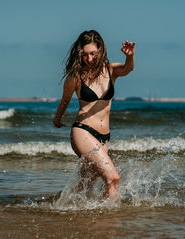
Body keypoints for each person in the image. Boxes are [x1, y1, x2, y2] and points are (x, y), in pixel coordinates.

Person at [53, 30, 135, 199]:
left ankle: (60, 210)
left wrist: (130, 56)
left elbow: (127, 69)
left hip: (104, 137)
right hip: (83, 131)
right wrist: (57, 119)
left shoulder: (111, 70)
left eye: (93, 54)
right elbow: (65, 101)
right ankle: (111, 221)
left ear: (100, 51)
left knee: (85, 185)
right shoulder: (75, 77)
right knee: (113, 178)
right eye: (84, 55)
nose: (89, 59)